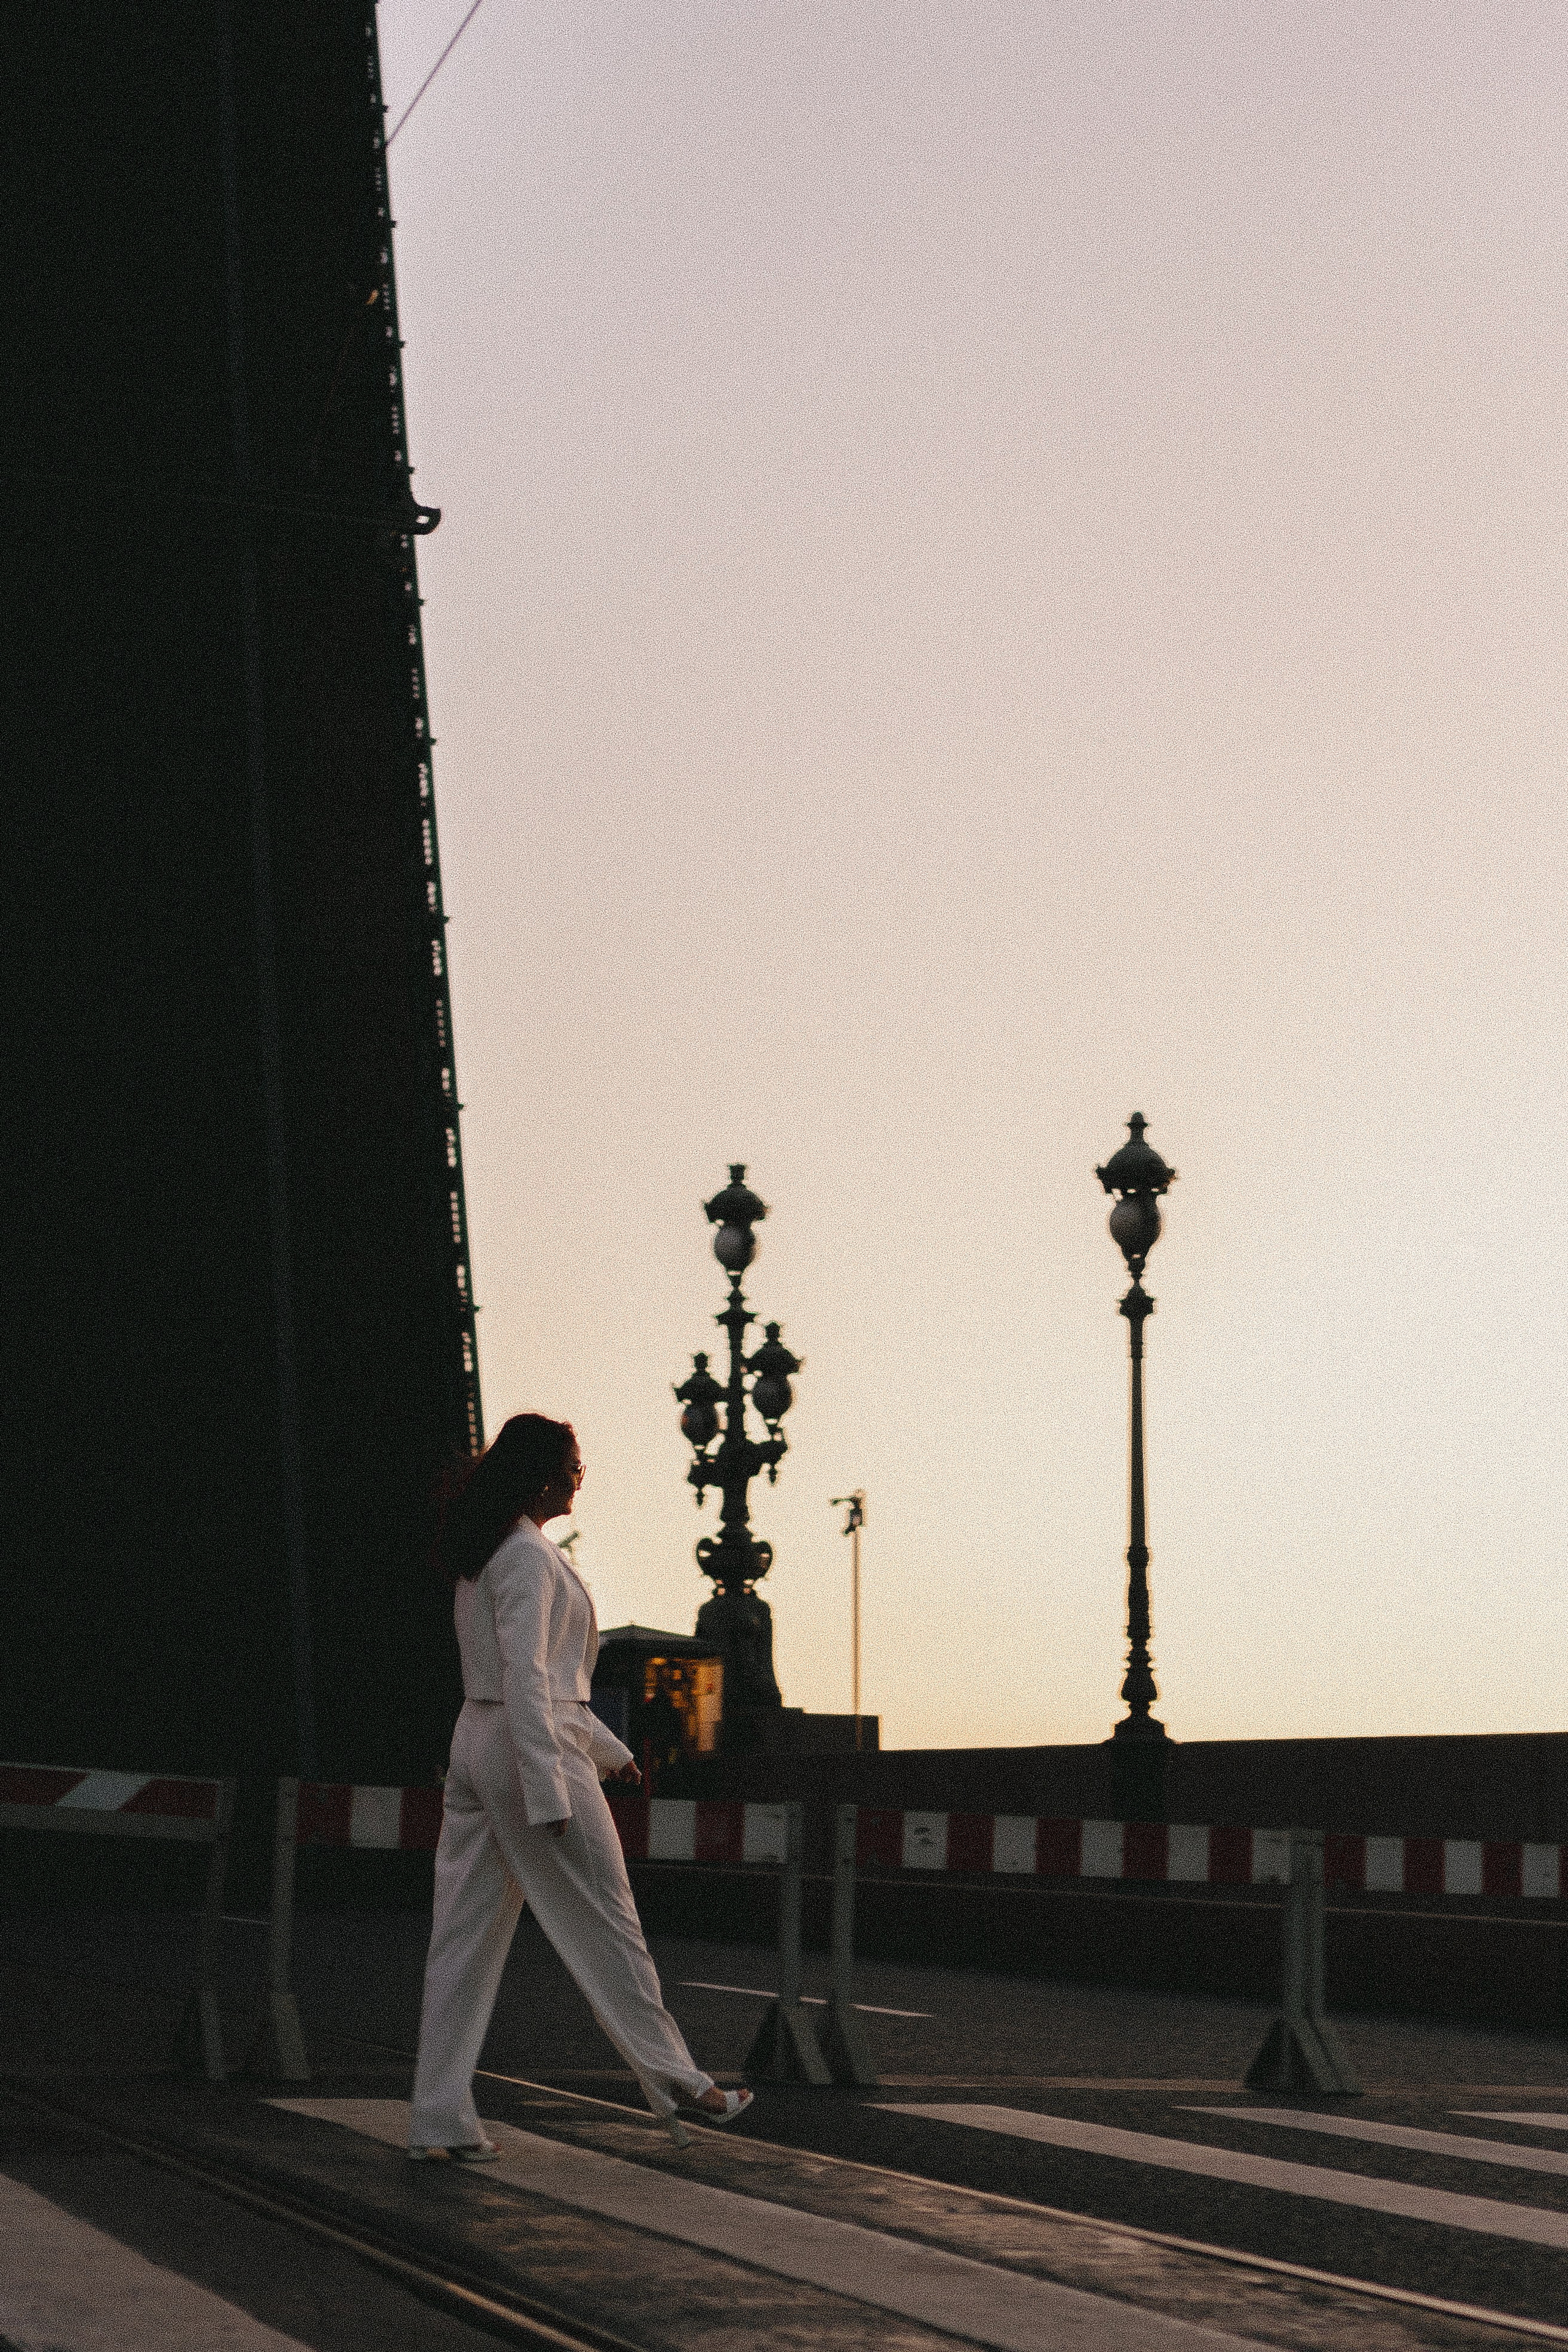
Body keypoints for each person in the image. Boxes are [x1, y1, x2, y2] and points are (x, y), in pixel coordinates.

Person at [409, 1412, 752, 2157]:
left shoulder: (485, 1555)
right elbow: (531, 1681)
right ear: (541, 1476)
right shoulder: (530, 1560)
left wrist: (610, 1750)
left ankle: (437, 2116)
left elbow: (524, 1683)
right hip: (529, 1753)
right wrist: (548, 1791)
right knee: (608, 1926)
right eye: (573, 1467)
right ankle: (684, 2085)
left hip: (476, 1742)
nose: (577, 1479)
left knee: (461, 1943)